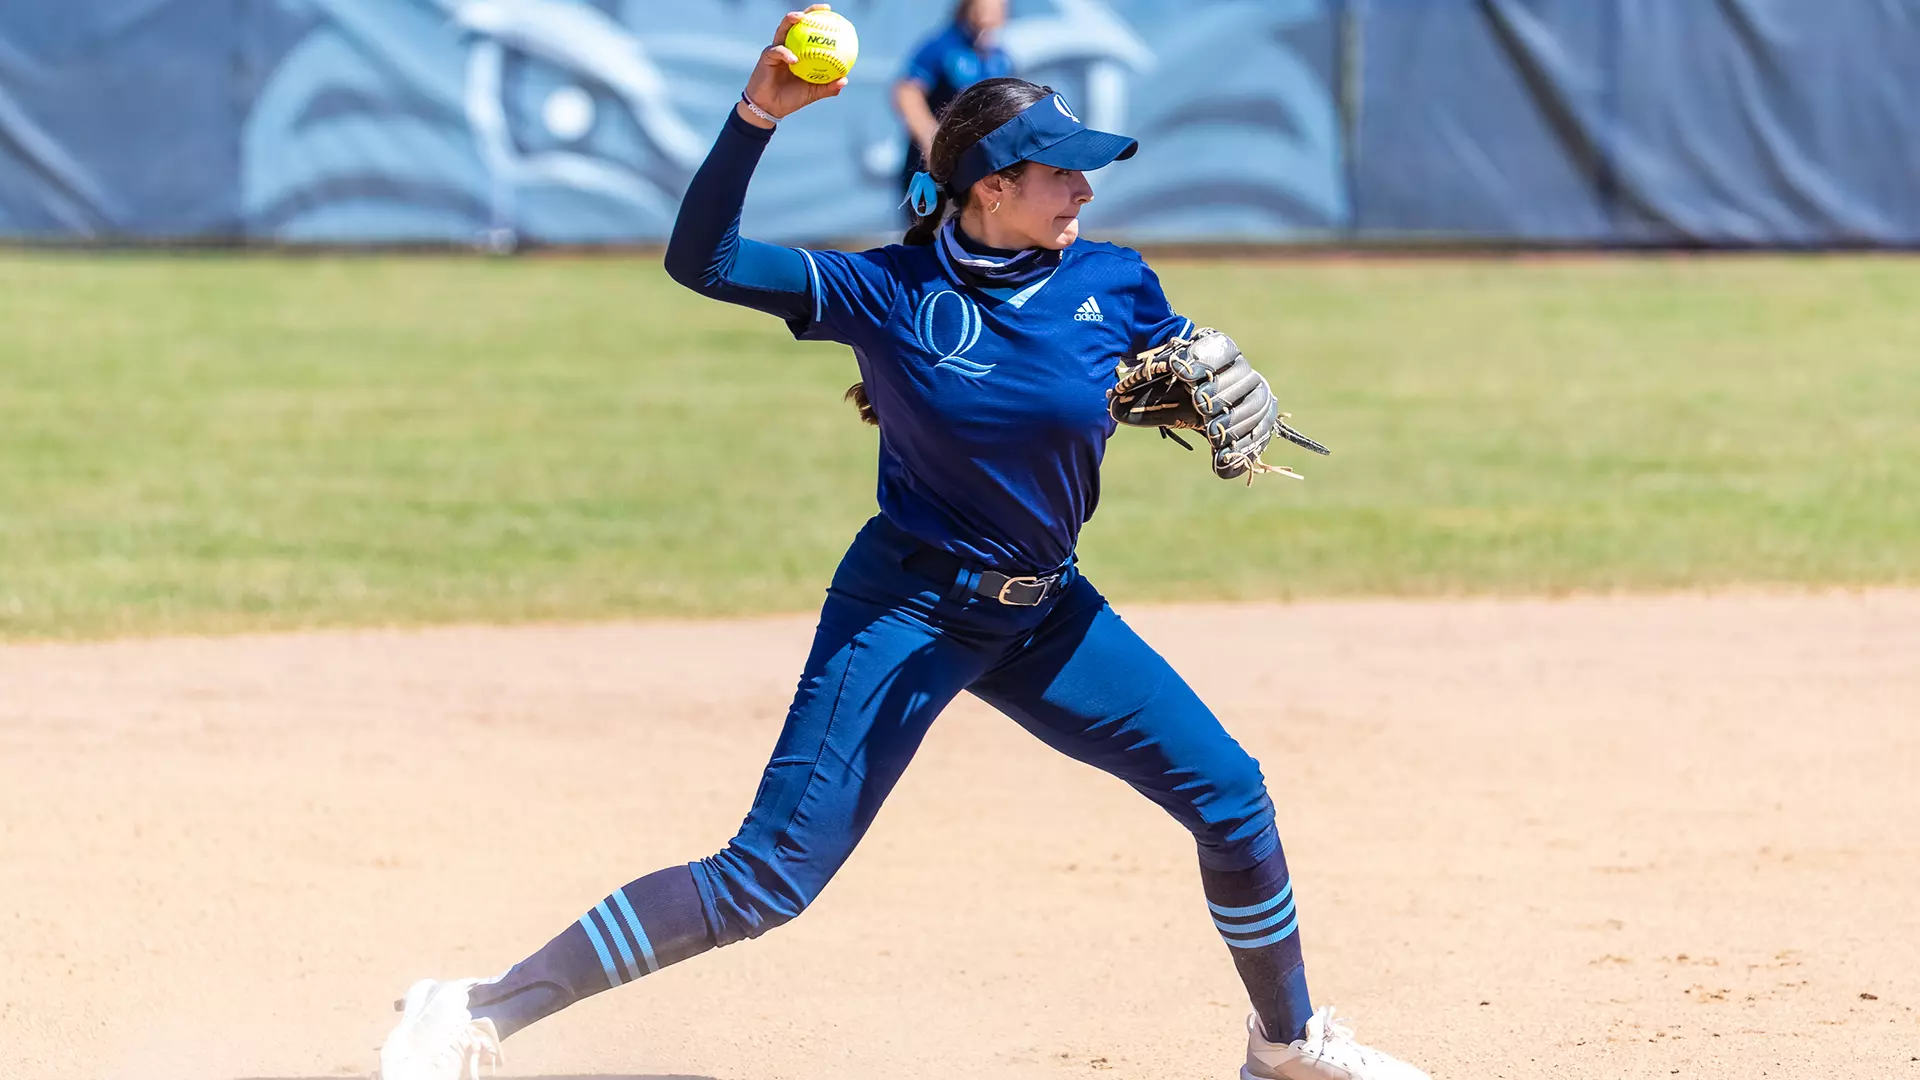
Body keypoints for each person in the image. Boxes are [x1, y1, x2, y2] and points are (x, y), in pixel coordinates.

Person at [374, 8, 1433, 1080]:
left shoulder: (1113, 281)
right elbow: (704, 260)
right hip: (908, 608)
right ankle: (473, 1006)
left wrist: (1203, 389)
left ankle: (1288, 1045)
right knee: (764, 882)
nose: (1084, 189)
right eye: (1060, 173)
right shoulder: (888, 294)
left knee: (1231, 796)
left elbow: (1161, 372)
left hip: (1045, 614)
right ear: (991, 189)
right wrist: (756, 116)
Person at [894, 0, 1014, 206]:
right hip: (937, 175)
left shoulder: (1000, 57)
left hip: (982, 170)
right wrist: (932, 140)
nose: (990, 9)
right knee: (936, 233)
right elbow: (907, 93)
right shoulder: (942, 47)